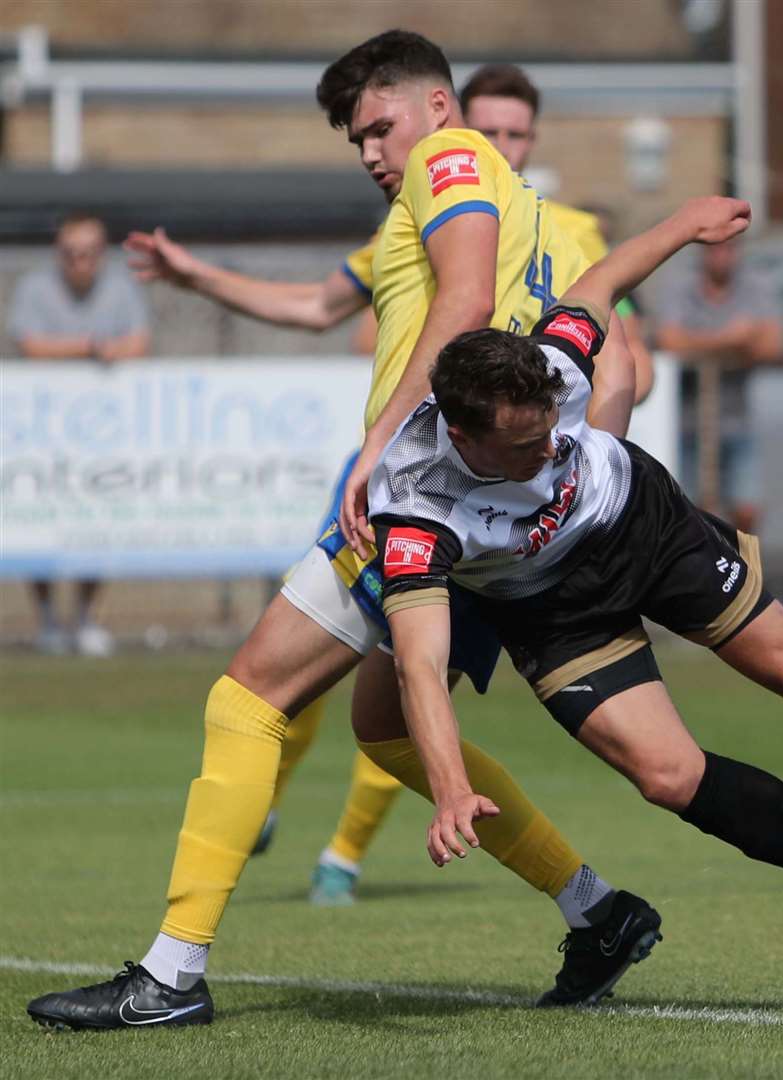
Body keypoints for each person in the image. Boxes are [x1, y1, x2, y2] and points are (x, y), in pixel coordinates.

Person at [25, 30, 651, 1031]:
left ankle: (171, 974)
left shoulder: (448, 166)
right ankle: (599, 911)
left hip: (429, 493)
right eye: (354, 136)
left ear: (436, 108)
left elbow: (467, 298)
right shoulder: (498, 198)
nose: (368, 149)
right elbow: (356, 302)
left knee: (247, 696)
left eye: (378, 124)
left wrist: (383, 448)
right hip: (487, 507)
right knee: (388, 728)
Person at [363, 197, 783, 988]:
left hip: (645, 526)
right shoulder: (416, 508)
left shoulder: (545, 372)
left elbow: (597, 283)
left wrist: (685, 226)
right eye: (525, 446)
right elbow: (420, 663)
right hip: (552, 610)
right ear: (462, 435)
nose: (552, 448)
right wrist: (451, 790)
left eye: (553, 427)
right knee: (665, 778)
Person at [7, 212, 151, 658]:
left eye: (88, 252)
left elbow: (138, 342)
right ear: (58, 253)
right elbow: (28, 344)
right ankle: (49, 617)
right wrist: (91, 349)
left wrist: (95, 352)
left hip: (102, 434)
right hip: (42, 432)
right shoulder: (35, 288)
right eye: (70, 253)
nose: (79, 262)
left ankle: (85, 617)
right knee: (41, 519)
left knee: (95, 522)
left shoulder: (121, 287)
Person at [654, 234, 783, 526]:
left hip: (736, 416)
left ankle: (743, 565)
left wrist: (698, 342)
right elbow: (669, 341)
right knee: (691, 508)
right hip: (689, 418)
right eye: (714, 248)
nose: (721, 255)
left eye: (728, 247)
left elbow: (771, 344)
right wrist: (732, 339)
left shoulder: (755, 285)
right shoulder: (679, 286)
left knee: (746, 508)